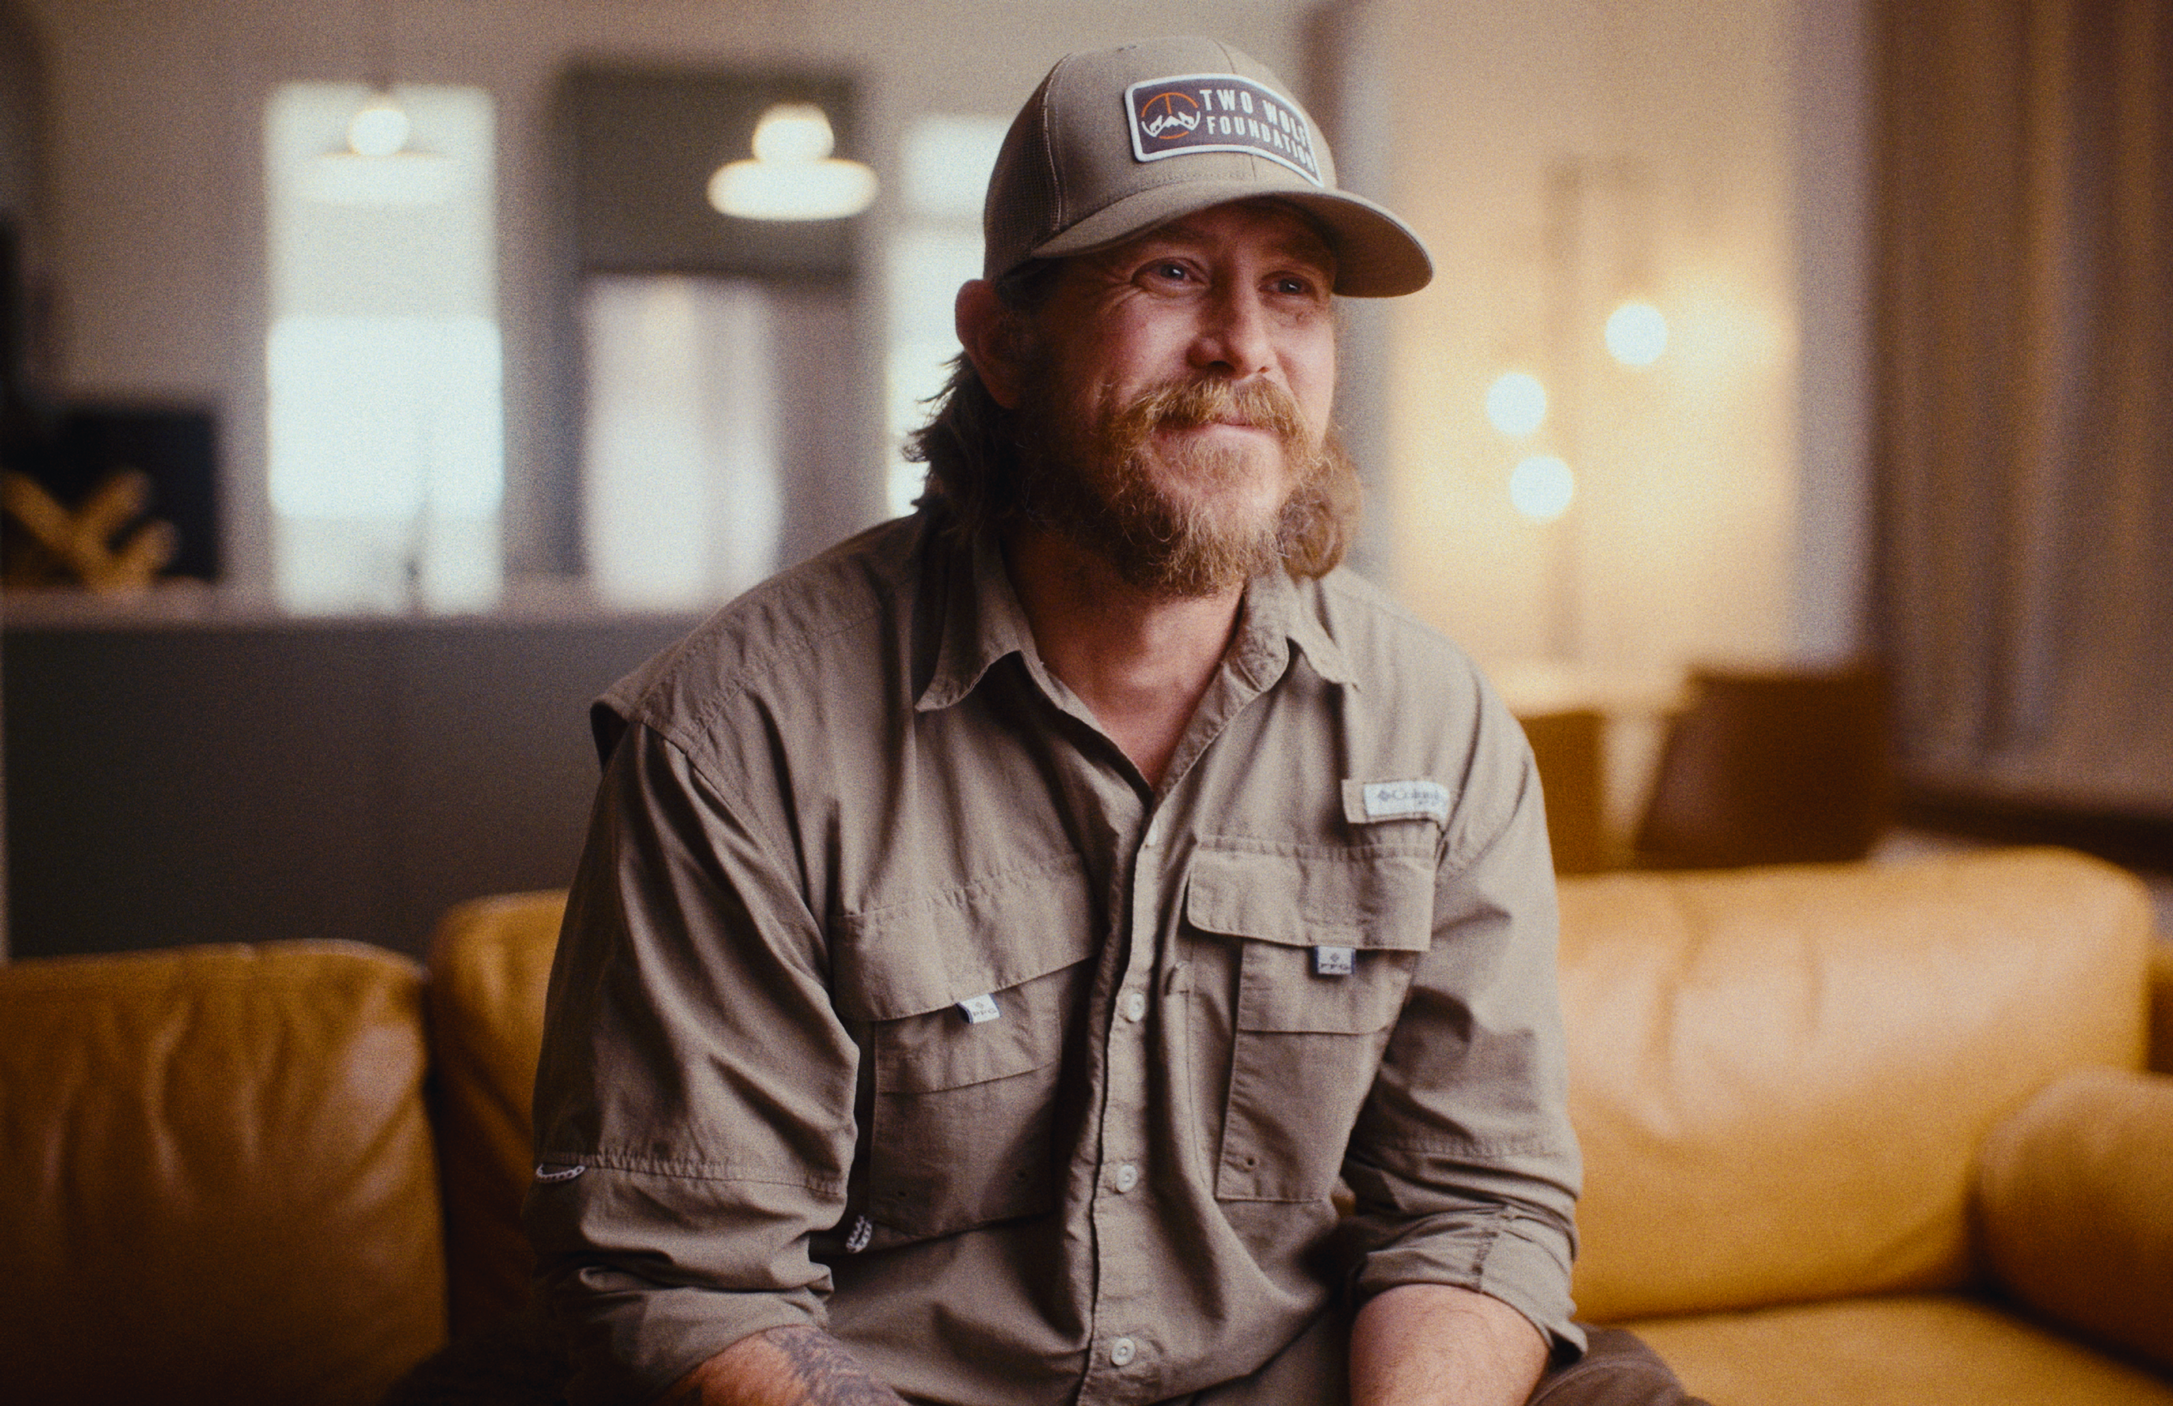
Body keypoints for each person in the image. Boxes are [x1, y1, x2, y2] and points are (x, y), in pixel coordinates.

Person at [525, 35, 1701, 1406]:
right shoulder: (739, 735)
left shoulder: (1434, 728)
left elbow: (1477, 1202)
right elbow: (688, 1277)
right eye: (1171, 272)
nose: (1245, 344)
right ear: (1002, 341)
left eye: (1296, 289)